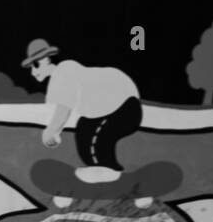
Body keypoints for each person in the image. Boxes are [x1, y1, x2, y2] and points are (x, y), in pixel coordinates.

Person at [22, 38, 142, 184]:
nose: (33, 72)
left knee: (99, 137)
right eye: (31, 67)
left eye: (36, 65)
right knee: (84, 130)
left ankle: (109, 171)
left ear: (48, 59)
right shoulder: (61, 76)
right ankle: (97, 170)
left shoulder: (64, 71)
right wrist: (55, 131)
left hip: (125, 107)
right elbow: (63, 107)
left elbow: (63, 110)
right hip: (107, 111)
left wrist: (51, 131)